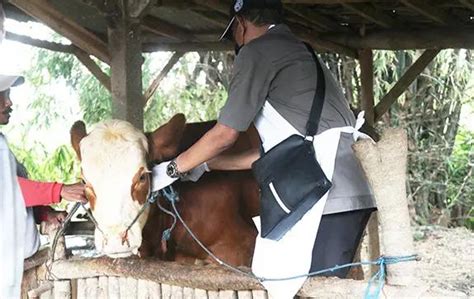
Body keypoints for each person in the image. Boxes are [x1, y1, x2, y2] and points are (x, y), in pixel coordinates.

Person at [151, 0, 376, 296]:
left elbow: (226, 133)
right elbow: (278, 153)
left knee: (315, 290)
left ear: (240, 23)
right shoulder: (299, 51)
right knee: (314, 288)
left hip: (323, 194)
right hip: (345, 186)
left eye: (232, 33)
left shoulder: (257, 52)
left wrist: (170, 169)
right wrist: (206, 165)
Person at [0, 74, 86, 298]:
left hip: (14, 266)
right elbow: (7, 187)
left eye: (8, 95)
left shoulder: (1, 142)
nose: (9, 103)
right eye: (2, 95)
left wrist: (43, 213)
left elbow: (8, 199)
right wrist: (59, 190)